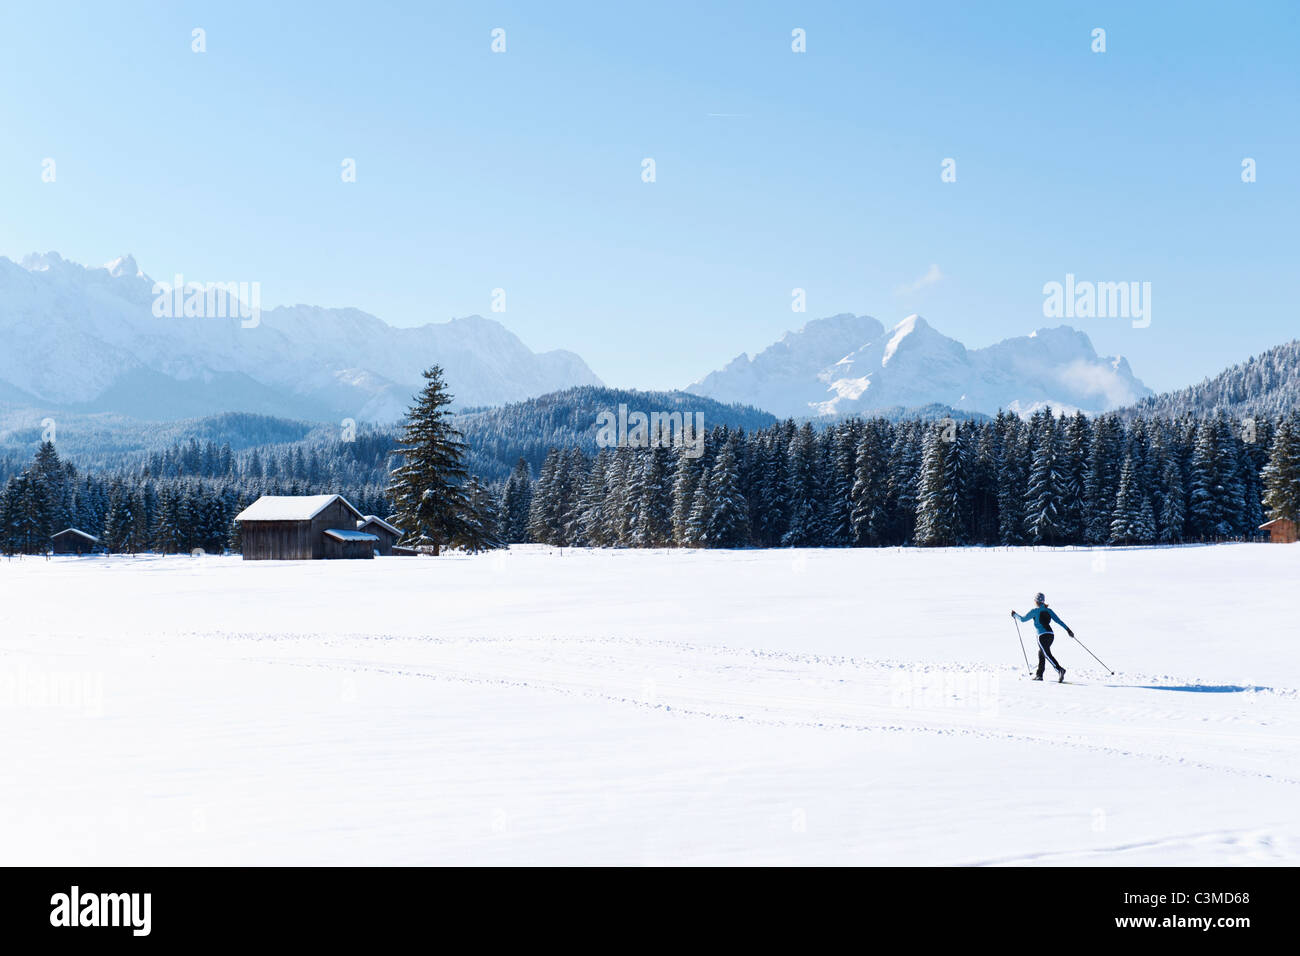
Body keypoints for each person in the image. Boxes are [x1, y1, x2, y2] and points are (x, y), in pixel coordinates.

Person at [1012, 592, 1074, 682]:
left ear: (1036, 601)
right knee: (1041, 653)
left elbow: (1022, 619)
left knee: (1046, 654)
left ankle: (1060, 670)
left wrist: (1015, 615)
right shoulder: (1049, 610)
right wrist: (1068, 630)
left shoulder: (1034, 611)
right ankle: (1039, 675)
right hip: (1051, 635)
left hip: (1041, 636)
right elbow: (1058, 621)